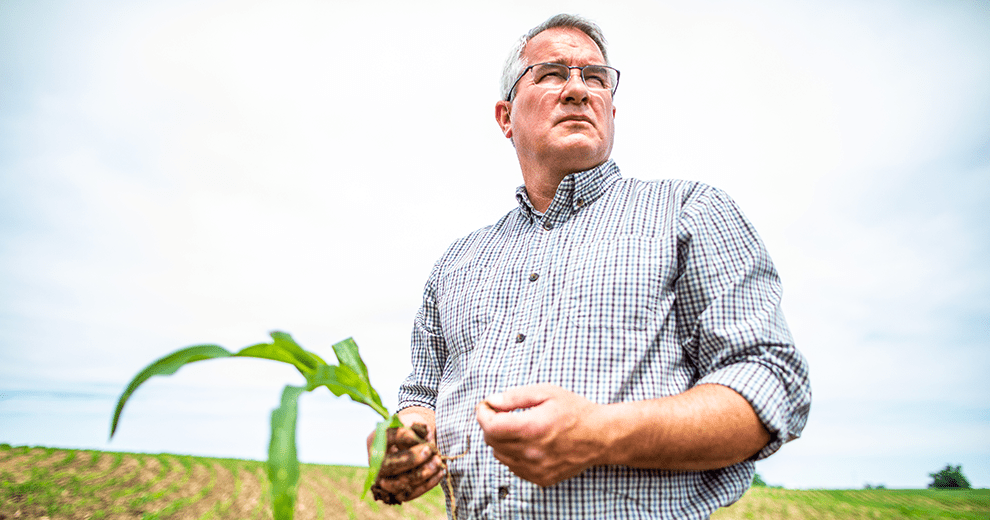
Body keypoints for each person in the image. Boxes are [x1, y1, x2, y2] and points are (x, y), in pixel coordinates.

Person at [369, 13, 811, 519]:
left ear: (611, 111)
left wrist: (599, 434)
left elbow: (773, 383)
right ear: (506, 117)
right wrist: (400, 441)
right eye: (552, 73)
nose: (578, 90)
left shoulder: (688, 212)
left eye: (596, 78)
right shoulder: (457, 263)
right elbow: (421, 395)